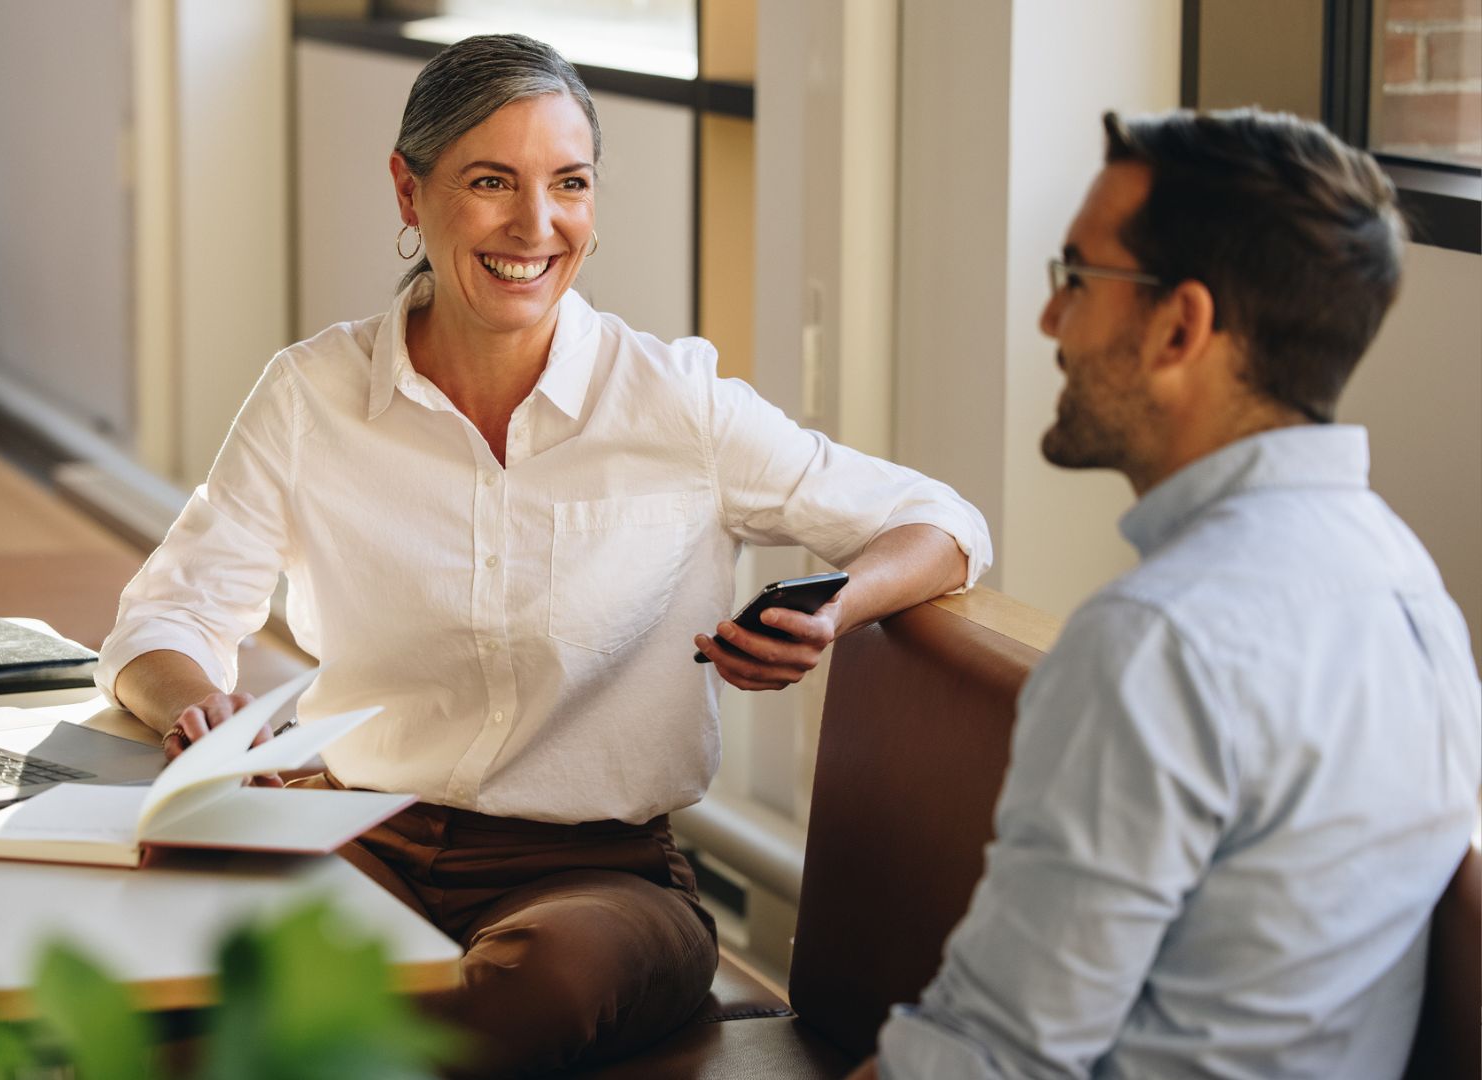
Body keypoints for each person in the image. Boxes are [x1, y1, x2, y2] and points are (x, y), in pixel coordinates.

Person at [96, 33, 990, 1078]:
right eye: (490, 182)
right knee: (168, 921)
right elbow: (166, 619)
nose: (535, 225)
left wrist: (835, 611)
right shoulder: (309, 398)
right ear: (408, 189)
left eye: (570, 183)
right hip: (360, 833)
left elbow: (943, 522)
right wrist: (191, 703)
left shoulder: (676, 406)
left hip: (599, 881)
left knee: (535, 988)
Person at [850, 109, 1481, 1080]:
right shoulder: (1415, 596)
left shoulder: (1159, 641)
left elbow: (988, 1059)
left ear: (1180, 326)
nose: (1049, 320)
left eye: (1075, 278)